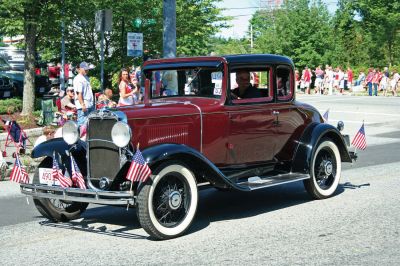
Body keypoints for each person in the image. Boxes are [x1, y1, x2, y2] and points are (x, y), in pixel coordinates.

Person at [73, 62, 95, 127]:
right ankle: (81, 137)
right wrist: (82, 105)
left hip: (90, 105)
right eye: (85, 69)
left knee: (91, 125)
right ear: (80, 69)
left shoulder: (86, 77)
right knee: (83, 125)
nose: (86, 70)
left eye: (87, 69)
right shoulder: (78, 79)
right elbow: (79, 93)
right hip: (83, 106)